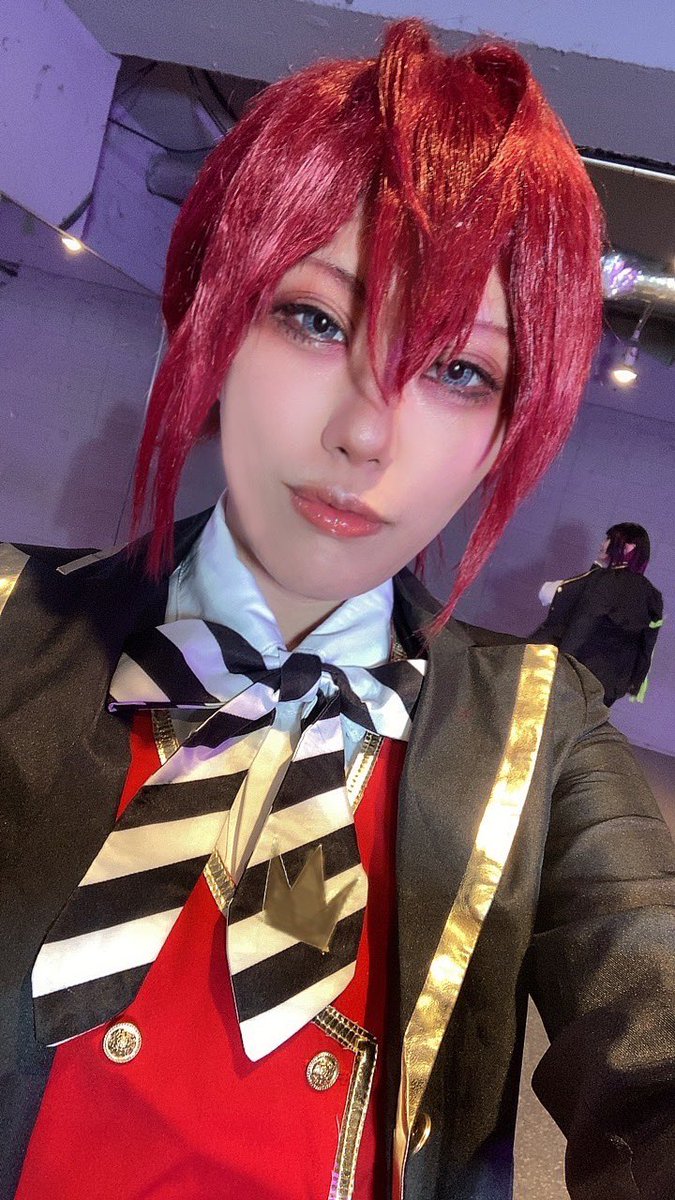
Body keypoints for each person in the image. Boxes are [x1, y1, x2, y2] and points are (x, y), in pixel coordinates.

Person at [1, 20, 674, 1200]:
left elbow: (649, 1023)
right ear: (216, 324)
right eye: (315, 319)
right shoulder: (13, 620)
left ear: (502, 437)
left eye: (459, 371)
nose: (367, 431)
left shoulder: (538, 733)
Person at [533, 522, 664, 705]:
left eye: (609, 539)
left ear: (628, 547)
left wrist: (561, 662)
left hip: (579, 676)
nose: (603, 543)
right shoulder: (653, 595)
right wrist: (636, 682)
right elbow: (648, 643)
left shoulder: (605, 579)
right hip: (610, 686)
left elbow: (584, 623)